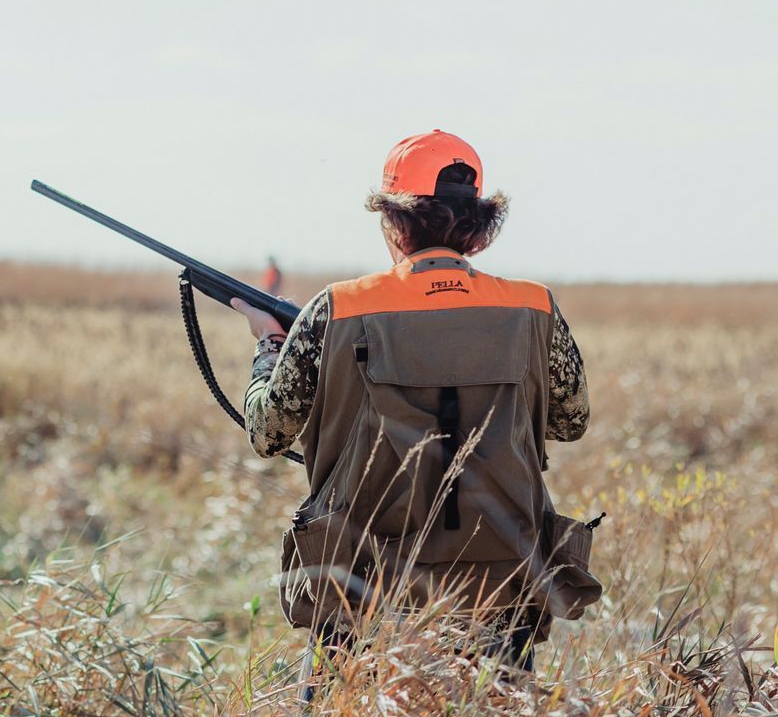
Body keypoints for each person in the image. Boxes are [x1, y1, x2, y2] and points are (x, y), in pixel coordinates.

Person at [230, 130, 597, 677]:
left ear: (394, 219)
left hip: (363, 587)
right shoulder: (534, 305)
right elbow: (571, 422)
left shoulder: (338, 308)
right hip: (500, 586)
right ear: (476, 224)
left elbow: (267, 432)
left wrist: (270, 342)